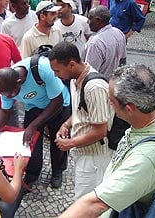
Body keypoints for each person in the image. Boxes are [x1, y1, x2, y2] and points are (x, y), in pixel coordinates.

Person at [59, 64, 155, 217]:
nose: (108, 104)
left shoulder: (147, 157)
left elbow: (96, 204)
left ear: (129, 108)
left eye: (111, 101)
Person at [0, 56, 71, 189]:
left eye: (11, 95)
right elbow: (5, 111)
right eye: (6, 95)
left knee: (58, 140)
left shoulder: (43, 69)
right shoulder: (5, 85)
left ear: (19, 83)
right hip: (34, 107)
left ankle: (57, 171)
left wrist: (33, 125)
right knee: (29, 142)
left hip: (58, 105)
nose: (9, 98)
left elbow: (57, 101)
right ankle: (32, 173)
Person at [48, 41, 114, 198]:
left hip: (95, 158)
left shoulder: (94, 87)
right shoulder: (74, 80)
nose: (56, 75)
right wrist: (66, 124)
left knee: (86, 201)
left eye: (57, 71)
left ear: (71, 64)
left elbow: (100, 130)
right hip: (83, 152)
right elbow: (81, 111)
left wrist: (70, 143)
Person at [82, 6, 126, 78]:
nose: (87, 22)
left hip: (100, 84)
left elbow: (90, 72)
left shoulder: (95, 43)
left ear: (98, 20)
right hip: (115, 82)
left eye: (90, 19)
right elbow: (123, 61)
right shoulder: (119, 33)